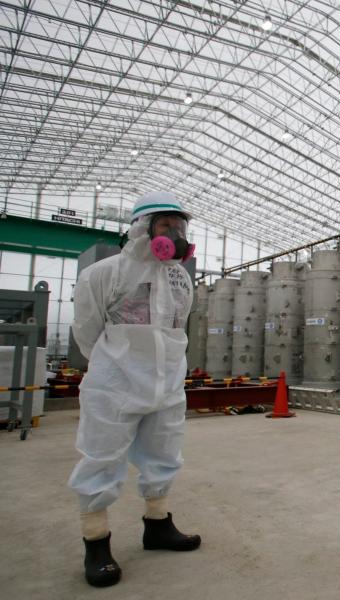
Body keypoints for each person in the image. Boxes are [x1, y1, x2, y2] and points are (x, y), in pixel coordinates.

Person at [68, 191, 200, 587]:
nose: (175, 234)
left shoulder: (180, 277)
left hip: (167, 382)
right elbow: (87, 331)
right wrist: (114, 367)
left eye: (180, 227)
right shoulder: (104, 273)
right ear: (143, 229)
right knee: (101, 458)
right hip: (116, 384)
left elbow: (178, 327)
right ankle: (96, 542)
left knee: (164, 452)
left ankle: (157, 525)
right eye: (167, 226)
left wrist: (167, 372)